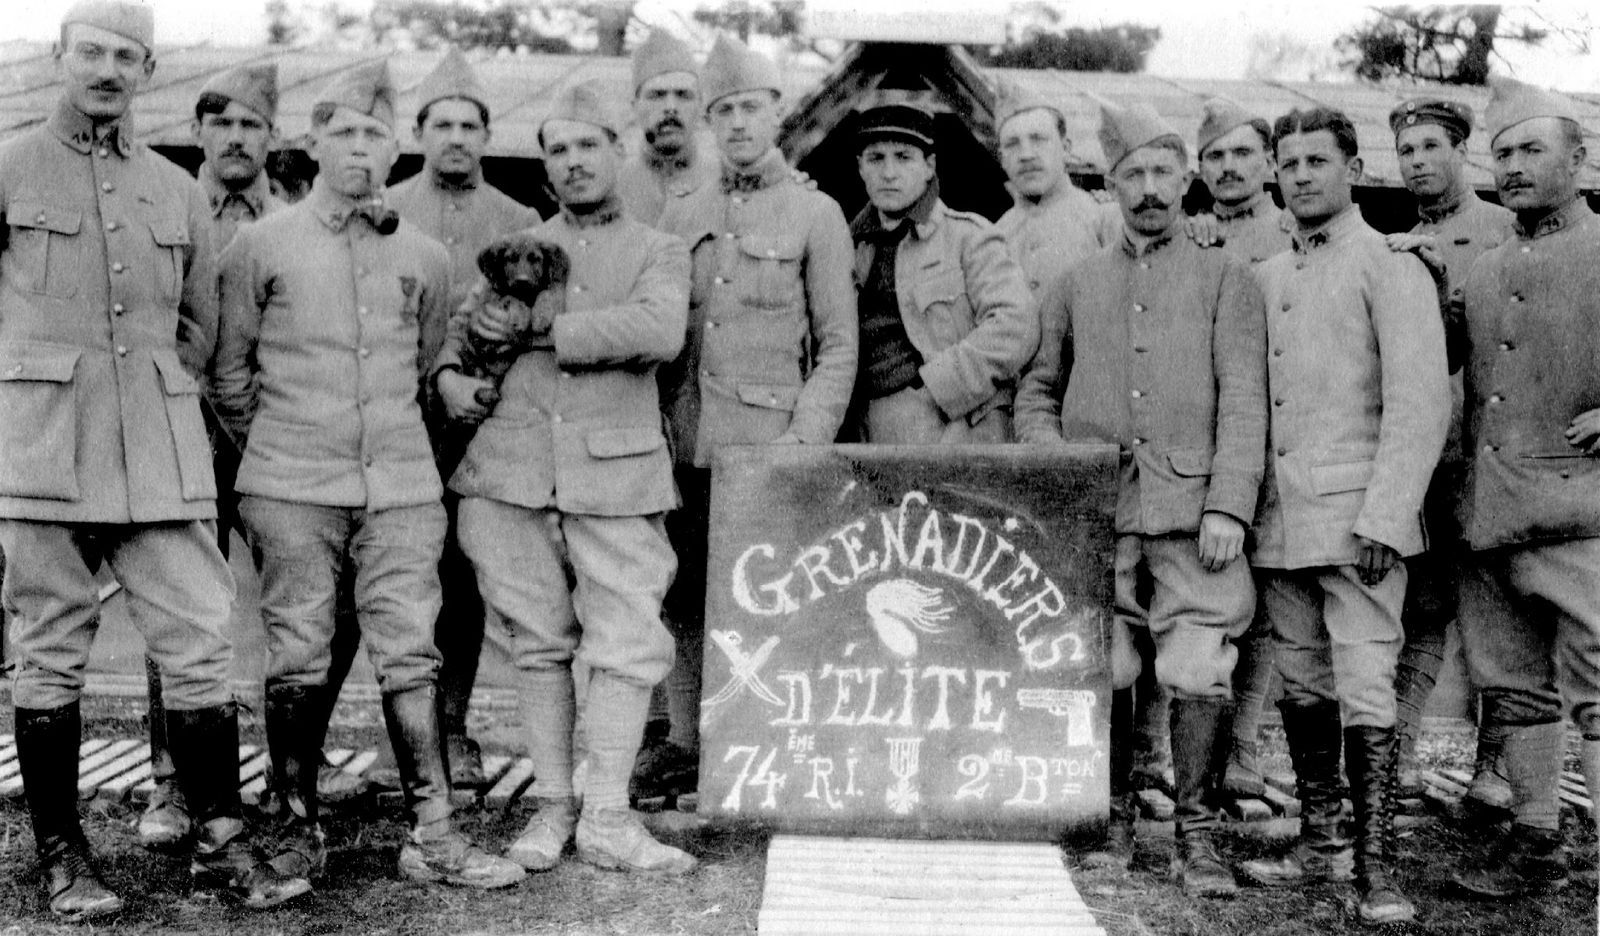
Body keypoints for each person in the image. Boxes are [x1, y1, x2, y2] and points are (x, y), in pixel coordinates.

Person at [0, 0, 300, 916]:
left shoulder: (174, 191)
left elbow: (202, 328)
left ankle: (218, 837)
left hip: (159, 452)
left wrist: (160, 400)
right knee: (49, 650)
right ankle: (62, 854)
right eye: (90, 50)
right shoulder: (8, 165)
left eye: (126, 57)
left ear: (148, 72)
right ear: (59, 55)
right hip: (43, 446)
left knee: (202, 644)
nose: (106, 69)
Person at [212, 59, 524, 895]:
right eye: (342, 131)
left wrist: (393, 458)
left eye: (374, 133)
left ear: (396, 147)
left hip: (400, 492)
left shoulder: (421, 254)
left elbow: (426, 370)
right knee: (299, 655)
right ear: (312, 142)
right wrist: (281, 459)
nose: (358, 147)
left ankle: (436, 834)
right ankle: (293, 831)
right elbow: (230, 377)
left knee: (409, 654)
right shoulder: (260, 245)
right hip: (291, 490)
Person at [435, 78, 695, 875]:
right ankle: (553, 808)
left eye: (588, 145)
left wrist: (544, 327)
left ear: (618, 151)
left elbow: (659, 329)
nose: (574, 162)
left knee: (624, 644)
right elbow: (457, 342)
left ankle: (610, 816)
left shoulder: (657, 246)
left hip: (615, 478)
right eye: (557, 149)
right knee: (538, 646)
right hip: (509, 475)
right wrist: (451, 381)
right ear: (543, 165)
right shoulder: (519, 242)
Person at [1016, 101, 1267, 898]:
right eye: (1133, 176)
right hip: (1102, 516)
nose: (1149, 190)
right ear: (1110, 184)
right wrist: (1067, 469)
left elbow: (1245, 400)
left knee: (1198, 666)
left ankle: (1196, 837)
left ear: (1186, 179)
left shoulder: (1228, 277)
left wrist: (1230, 503)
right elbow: (1036, 392)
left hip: (1197, 518)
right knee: (1108, 666)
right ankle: (1113, 821)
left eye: (1163, 173)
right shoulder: (1075, 283)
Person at [1237, 106, 1449, 927]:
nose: (1299, 175)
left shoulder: (1389, 266)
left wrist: (1386, 518)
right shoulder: (1266, 277)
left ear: (1352, 167)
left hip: (1361, 522)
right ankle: (1321, 844)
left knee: (1367, 686)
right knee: (1302, 682)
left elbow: (1419, 405)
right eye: (1286, 163)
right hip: (1282, 523)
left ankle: (1378, 866)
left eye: (1316, 160)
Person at [655, 33, 858, 794]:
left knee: (771, 602)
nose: (738, 123)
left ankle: (770, 742)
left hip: (769, 448)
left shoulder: (817, 213)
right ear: (711, 122)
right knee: (683, 598)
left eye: (752, 107)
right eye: (724, 111)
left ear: (778, 113)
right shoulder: (683, 212)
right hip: (685, 442)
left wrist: (804, 441)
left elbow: (838, 346)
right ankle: (683, 743)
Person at [1448, 77, 1600, 898]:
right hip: (1492, 517)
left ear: (1579, 159)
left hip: (1584, 514)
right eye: (1502, 152)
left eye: (1531, 149)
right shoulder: (1483, 267)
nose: (1513, 166)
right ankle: (1538, 840)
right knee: (1511, 684)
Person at [137, 60, 288, 850]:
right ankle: (171, 783)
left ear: (272, 136)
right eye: (222, 122)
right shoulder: (163, 200)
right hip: (178, 433)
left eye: (252, 124)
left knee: (294, 609)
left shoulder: (294, 219)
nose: (236, 138)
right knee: (180, 613)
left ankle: (288, 774)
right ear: (196, 131)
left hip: (270, 440)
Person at [386, 45, 541, 789]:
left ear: (486, 135)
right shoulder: (385, 208)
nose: (455, 136)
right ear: (420, 132)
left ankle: (452, 730)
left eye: (469, 124)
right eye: (441, 123)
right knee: (387, 578)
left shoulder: (519, 219)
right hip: (395, 423)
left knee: (463, 578)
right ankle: (400, 740)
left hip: (483, 426)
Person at [1382, 96, 1516, 810]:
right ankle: (1398, 760)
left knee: (1501, 619)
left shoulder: (1505, 228)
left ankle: (1493, 768)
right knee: (1424, 610)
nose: (1419, 162)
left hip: (1497, 459)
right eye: (1407, 151)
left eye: (1432, 146)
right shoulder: (1398, 243)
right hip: (1434, 461)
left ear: (1462, 151)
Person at [1192, 96, 1294, 800]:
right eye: (1215, 157)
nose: (1229, 169)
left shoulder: (1297, 232)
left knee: (1271, 608)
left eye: (1241, 154)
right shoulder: (1192, 236)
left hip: (1286, 441)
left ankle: (1246, 754)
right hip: (1214, 443)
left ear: (1268, 163)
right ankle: (1187, 757)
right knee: (1208, 601)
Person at [847, 97, 1035, 443]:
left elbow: (1015, 325)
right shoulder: (847, 246)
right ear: (860, 167)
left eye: (903, 157)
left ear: (929, 165)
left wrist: (940, 387)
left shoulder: (968, 237)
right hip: (867, 433)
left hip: (956, 429)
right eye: (876, 158)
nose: (889, 173)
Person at [617, 29, 719, 226]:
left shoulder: (725, 182)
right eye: (657, 95)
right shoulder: (613, 187)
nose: (670, 108)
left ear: (700, 106)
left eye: (683, 95)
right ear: (635, 107)